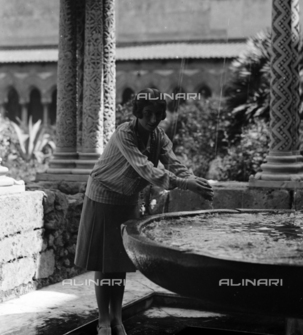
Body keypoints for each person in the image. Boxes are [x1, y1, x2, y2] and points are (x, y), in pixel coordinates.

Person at [75, 88, 214, 335]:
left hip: (127, 199)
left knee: (119, 262)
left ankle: (117, 319)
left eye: (158, 114)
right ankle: (104, 320)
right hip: (102, 197)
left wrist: (194, 181)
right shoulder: (124, 134)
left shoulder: (158, 136)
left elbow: (174, 163)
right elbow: (146, 169)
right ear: (138, 112)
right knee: (104, 263)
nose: (153, 119)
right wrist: (185, 184)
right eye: (148, 113)